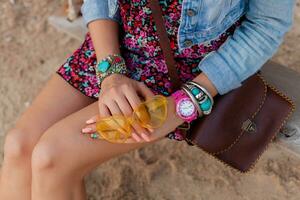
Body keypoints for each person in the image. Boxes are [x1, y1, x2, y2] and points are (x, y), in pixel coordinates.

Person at [0, 0, 295, 199]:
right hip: (115, 46)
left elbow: (266, 25)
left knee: (52, 157)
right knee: (19, 147)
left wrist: (185, 104)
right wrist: (111, 71)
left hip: (187, 72)